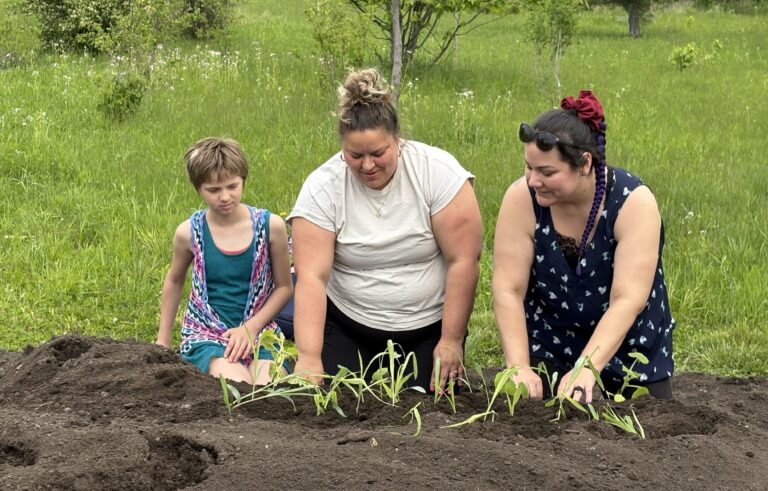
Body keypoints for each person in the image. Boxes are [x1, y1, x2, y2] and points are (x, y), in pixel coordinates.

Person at [288, 68, 483, 392]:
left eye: (379, 153)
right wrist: (309, 356)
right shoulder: (322, 187)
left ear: (397, 140)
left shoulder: (438, 173)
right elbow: (311, 278)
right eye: (355, 155)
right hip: (349, 324)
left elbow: (464, 260)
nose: (367, 165)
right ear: (342, 148)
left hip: (427, 327)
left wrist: (451, 339)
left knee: (426, 405)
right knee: (335, 403)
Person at [492, 91, 674, 403]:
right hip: (551, 340)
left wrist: (587, 369)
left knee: (647, 419)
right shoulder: (521, 198)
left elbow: (628, 299)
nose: (533, 180)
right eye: (529, 167)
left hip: (628, 345)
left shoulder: (633, 202)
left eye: (547, 172)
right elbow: (508, 287)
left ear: (585, 164)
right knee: (529, 408)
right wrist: (519, 366)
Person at [156, 137, 293, 384]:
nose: (225, 197)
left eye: (232, 186)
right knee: (236, 386)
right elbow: (174, 281)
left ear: (243, 180)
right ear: (199, 189)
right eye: (214, 190)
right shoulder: (189, 233)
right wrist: (163, 341)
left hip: (261, 332)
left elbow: (284, 287)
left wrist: (251, 329)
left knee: (268, 388)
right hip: (207, 334)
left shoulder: (270, 227)